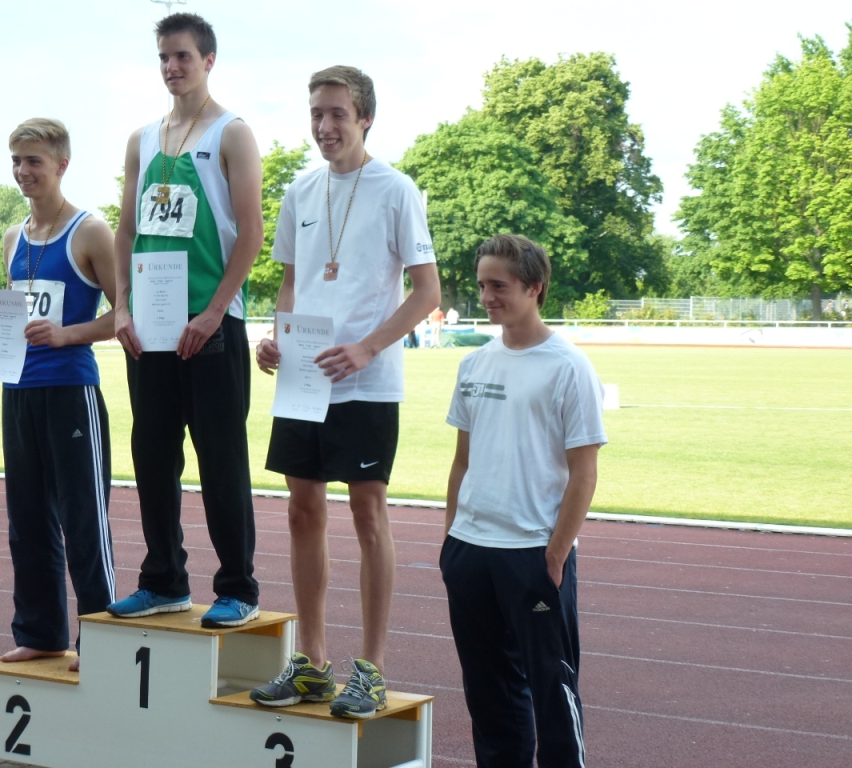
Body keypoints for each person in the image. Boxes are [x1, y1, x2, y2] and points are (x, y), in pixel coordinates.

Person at [250, 65, 440, 719]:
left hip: (367, 381)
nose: (325, 126)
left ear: (365, 119)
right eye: (316, 114)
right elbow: (291, 284)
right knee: (301, 512)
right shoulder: (299, 191)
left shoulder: (396, 190)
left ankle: (373, 669)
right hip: (304, 379)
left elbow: (427, 292)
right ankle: (311, 663)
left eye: (337, 113)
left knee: (367, 513)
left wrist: (367, 347)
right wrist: (276, 338)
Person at [106, 13, 264, 628]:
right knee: (152, 456)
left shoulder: (232, 133)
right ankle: (163, 581)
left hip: (211, 323)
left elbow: (250, 233)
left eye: (183, 57)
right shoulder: (142, 139)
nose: (172, 67)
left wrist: (216, 310)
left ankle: (238, 588)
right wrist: (122, 306)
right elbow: (126, 230)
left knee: (221, 458)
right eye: (165, 58)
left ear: (208, 61)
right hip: (151, 324)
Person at [440, 234, 606, 767]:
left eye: (499, 285)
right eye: (481, 285)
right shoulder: (474, 364)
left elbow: (584, 471)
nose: (486, 297)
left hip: (532, 552)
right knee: (488, 695)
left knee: (552, 691)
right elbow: (462, 461)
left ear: (534, 288)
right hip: (470, 551)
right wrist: (451, 539)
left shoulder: (568, 366)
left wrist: (555, 554)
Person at [0, 118, 118, 673]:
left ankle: (100, 635)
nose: (22, 171)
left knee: (83, 519)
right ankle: (41, 633)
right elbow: (17, 313)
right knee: (27, 520)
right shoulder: (13, 237)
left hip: (71, 390)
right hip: (18, 390)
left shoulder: (90, 231)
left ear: (61, 165)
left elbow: (125, 316)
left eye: (33, 161)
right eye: (16, 161)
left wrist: (66, 334)